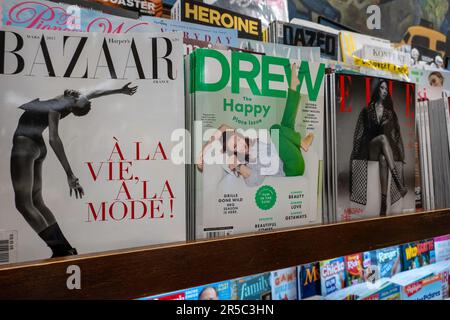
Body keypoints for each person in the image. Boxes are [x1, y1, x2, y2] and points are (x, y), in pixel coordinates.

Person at [10, 82, 138, 257]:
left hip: (25, 145)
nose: (79, 94)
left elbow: (54, 139)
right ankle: (66, 249)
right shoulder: (70, 99)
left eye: (78, 98)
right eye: (80, 96)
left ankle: (59, 249)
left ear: (72, 106)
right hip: (36, 146)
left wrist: (69, 174)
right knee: (37, 201)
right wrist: (120, 90)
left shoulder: (59, 105)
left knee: (23, 204)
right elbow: (96, 92)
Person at [197, 63, 314, 187]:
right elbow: (254, 181)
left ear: (239, 134)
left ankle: (294, 86)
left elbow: (223, 127)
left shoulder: (252, 141)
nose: (240, 147)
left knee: (285, 124)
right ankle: (302, 141)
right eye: (235, 149)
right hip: (292, 167)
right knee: (275, 130)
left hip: (289, 152)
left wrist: (203, 151)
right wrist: (239, 166)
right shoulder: (247, 162)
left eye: (237, 141)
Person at [350, 79, 407, 216]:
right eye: (382, 88)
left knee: (383, 159)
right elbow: (359, 133)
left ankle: (383, 203)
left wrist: (398, 152)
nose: (384, 91)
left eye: (386, 89)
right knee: (381, 139)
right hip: (369, 148)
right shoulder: (367, 110)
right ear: (377, 89)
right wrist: (356, 152)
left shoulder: (389, 113)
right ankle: (398, 184)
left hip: (381, 151)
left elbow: (395, 136)